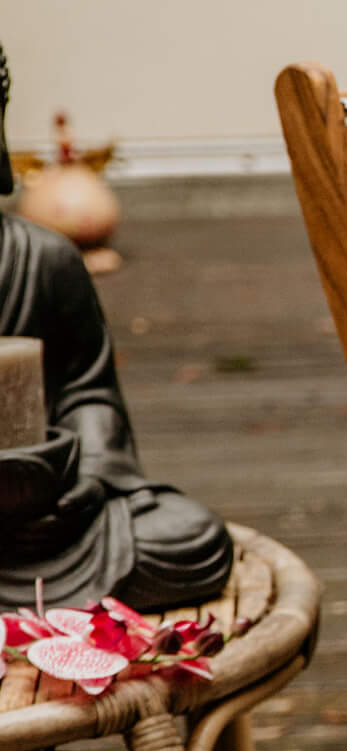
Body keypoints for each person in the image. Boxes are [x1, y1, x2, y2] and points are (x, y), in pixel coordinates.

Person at [0, 41, 233, 611]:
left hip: (43, 513)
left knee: (189, 537)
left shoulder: (43, 257)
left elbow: (89, 391)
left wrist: (91, 482)